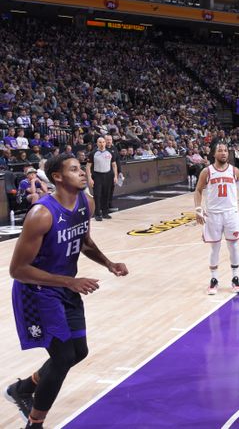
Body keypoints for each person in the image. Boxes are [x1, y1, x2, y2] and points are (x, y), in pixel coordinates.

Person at [5, 153, 129, 429]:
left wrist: (108, 263)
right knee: (62, 357)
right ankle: (35, 423)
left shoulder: (87, 202)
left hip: (63, 286)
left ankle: (24, 388)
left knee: (79, 351)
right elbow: (17, 270)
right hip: (36, 291)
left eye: (81, 168)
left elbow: (83, 242)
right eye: (74, 170)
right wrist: (70, 282)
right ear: (58, 177)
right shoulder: (41, 214)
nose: (83, 173)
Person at [194, 141, 239, 295]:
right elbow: (198, 190)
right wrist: (198, 208)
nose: (223, 153)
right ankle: (214, 280)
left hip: (231, 213)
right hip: (213, 215)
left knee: (233, 245)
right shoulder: (206, 172)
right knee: (215, 247)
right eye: (220, 150)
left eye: (225, 150)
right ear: (214, 154)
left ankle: (235, 278)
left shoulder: (235, 171)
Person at [86, 137, 117, 222]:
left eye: (103, 142)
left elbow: (114, 165)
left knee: (106, 195)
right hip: (97, 176)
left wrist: (115, 176)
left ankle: (105, 212)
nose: (102, 144)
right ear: (97, 143)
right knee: (97, 195)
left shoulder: (110, 152)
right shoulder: (93, 153)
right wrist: (89, 178)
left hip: (108, 176)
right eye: (100, 142)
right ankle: (97, 214)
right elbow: (88, 167)